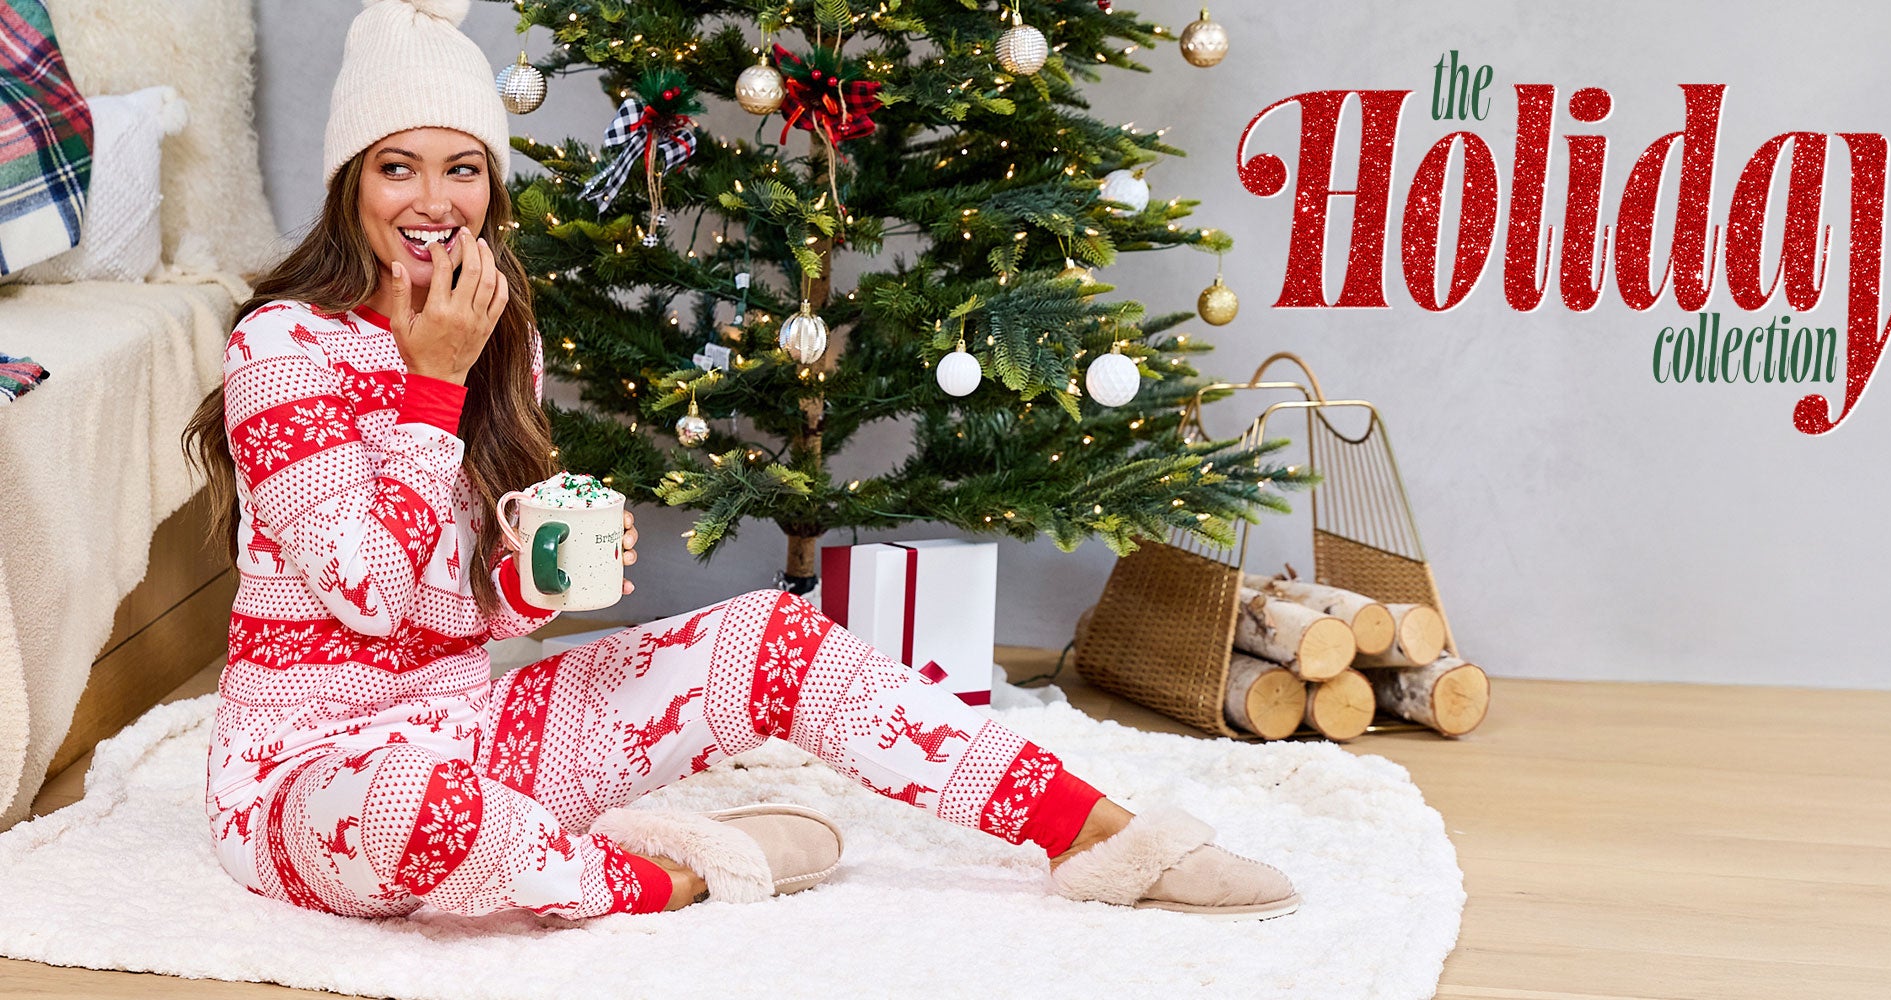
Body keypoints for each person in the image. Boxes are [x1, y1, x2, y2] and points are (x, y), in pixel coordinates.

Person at [179, 0, 1299, 923]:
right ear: (349, 183)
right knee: (423, 817)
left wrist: (540, 572)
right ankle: (671, 871)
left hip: (470, 732)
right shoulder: (280, 347)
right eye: (397, 168)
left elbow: (470, 621)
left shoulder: (495, 330)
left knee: (768, 633)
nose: (434, 203)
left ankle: (1101, 838)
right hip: (309, 777)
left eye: (463, 168)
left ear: (493, 184)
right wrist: (429, 385)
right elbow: (367, 601)